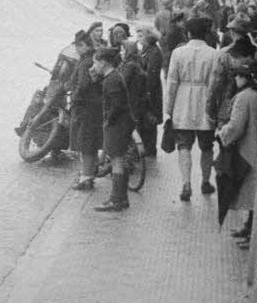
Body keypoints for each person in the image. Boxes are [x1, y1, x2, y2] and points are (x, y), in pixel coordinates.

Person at [215, 63, 257, 243]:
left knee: (251, 192)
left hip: (247, 151)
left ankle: (253, 234)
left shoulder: (243, 97)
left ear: (246, 78)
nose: (236, 79)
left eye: (239, 76)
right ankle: (249, 227)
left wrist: (221, 133)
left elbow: (236, 126)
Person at [164, 16, 220, 202]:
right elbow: (215, 84)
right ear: (205, 33)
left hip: (183, 101)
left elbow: (171, 82)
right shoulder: (213, 54)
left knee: (184, 144)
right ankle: (205, 181)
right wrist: (215, 108)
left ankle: (186, 183)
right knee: (207, 146)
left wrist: (169, 108)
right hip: (205, 100)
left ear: (188, 33)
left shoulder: (178, 53)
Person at [207, 15, 257, 131]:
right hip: (254, 104)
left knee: (228, 141)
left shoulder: (224, 54)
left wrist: (210, 109)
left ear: (232, 32)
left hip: (228, 105)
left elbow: (215, 84)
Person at [94, 47, 133, 212]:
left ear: (103, 63)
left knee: (116, 160)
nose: (94, 66)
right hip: (122, 123)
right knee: (120, 159)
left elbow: (116, 106)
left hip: (117, 125)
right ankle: (122, 198)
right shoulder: (114, 76)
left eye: (95, 63)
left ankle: (115, 200)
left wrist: (108, 121)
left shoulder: (111, 80)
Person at [68, 31, 103, 191]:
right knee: (92, 143)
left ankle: (85, 178)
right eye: (77, 45)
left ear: (86, 46)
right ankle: (89, 175)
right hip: (95, 107)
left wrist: (74, 98)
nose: (77, 48)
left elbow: (83, 85)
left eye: (79, 45)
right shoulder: (92, 59)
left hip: (85, 108)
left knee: (86, 144)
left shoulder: (85, 62)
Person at [135, 27, 165, 157]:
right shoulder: (146, 50)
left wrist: (146, 92)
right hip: (146, 91)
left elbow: (151, 76)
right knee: (145, 120)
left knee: (150, 120)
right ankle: (146, 148)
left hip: (150, 92)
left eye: (141, 35)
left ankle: (150, 149)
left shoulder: (154, 52)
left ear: (148, 37)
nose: (138, 38)